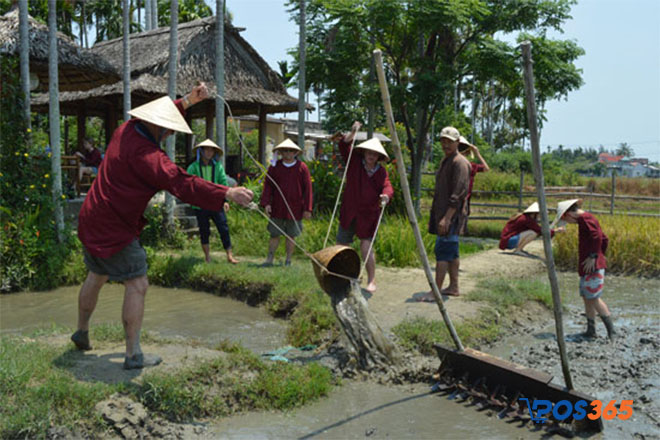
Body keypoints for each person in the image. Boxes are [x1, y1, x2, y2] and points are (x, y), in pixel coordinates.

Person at [72, 83, 254, 369]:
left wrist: (189, 101)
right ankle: (133, 354)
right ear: (158, 126)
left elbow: (163, 118)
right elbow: (182, 183)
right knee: (137, 281)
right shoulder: (150, 157)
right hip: (114, 225)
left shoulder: (126, 129)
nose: (170, 132)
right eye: (168, 128)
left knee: (96, 273)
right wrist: (226, 193)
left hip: (91, 215)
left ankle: (81, 332)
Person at [332, 121, 393, 293]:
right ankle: (342, 276)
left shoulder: (381, 172)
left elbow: (388, 187)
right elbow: (344, 146)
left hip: (368, 214)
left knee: (366, 246)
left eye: (375, 154)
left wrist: (385, 196)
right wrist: (353, 131)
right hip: (349, 210)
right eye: (369, 153)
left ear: (379, 157)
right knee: (342, 244)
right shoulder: (354, 162)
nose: (371, 156)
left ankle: (371, 280)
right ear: (364, 152)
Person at [418, 126, 470, 301]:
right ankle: (453, 286)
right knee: (452, 252)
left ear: (457, 142)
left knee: (442, 252)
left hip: (451, 216)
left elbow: (458, 193)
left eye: (449, 141)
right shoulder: (447, 160)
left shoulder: (459, 163)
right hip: (444, 214)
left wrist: (446, 218)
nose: (446, 144)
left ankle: (436, 291)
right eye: (443, 141)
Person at [555, 199, 615, 340]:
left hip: (593, 265)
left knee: (594, 298)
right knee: (587, 297)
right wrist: (599, 255)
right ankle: (591, 331)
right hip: (589, 266)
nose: (568, 223)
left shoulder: (585, 218)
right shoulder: (586, 219)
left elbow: (597, 237)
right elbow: (604, 239)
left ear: (568, 214)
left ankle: (612, 332)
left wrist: (594, 256)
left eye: (565, 219)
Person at [260, 139, 313, 266]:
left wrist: (308, 209)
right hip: (277, 207)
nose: (288, 153)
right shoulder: (274, 167)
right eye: (285, 151)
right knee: (274, 234)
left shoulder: (302, 167)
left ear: (295, 152)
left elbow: (308, 189)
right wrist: (266, 203)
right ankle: (269, 259)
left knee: (291, 235)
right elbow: (268, 186)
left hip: (295, 208)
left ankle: (288, 260)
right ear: (281, 152)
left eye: (291, 151)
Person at [186, 139, 238, 264]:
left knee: (223, 228)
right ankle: (207, 257)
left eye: (211, 150)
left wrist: (225, 201)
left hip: (216, 203)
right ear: (201, 151)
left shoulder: (217, 167)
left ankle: (229, 256)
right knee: (204, 230)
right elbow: (188, 184)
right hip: (201, 204)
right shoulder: (193, 167)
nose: (209, 152)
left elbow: (223, 184)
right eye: (206, 149)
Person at [499, 202, 564, 254]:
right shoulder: (526, 219)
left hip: (508, 240)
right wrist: (556, 230)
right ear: (535, 213)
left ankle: (520, 249)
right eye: (539, 214)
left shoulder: (525, 217)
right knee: (533, 233)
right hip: (509, 241)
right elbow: (539, 230)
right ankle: (518, 250)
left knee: (534, 232)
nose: (540, 216)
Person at [458, 136, 489, 217]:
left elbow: (486, 168)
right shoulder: (469, 166)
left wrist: (476, 153)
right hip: (459, 200)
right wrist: (476, 153)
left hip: (462, 201)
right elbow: (486, 168)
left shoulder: (470, 166)